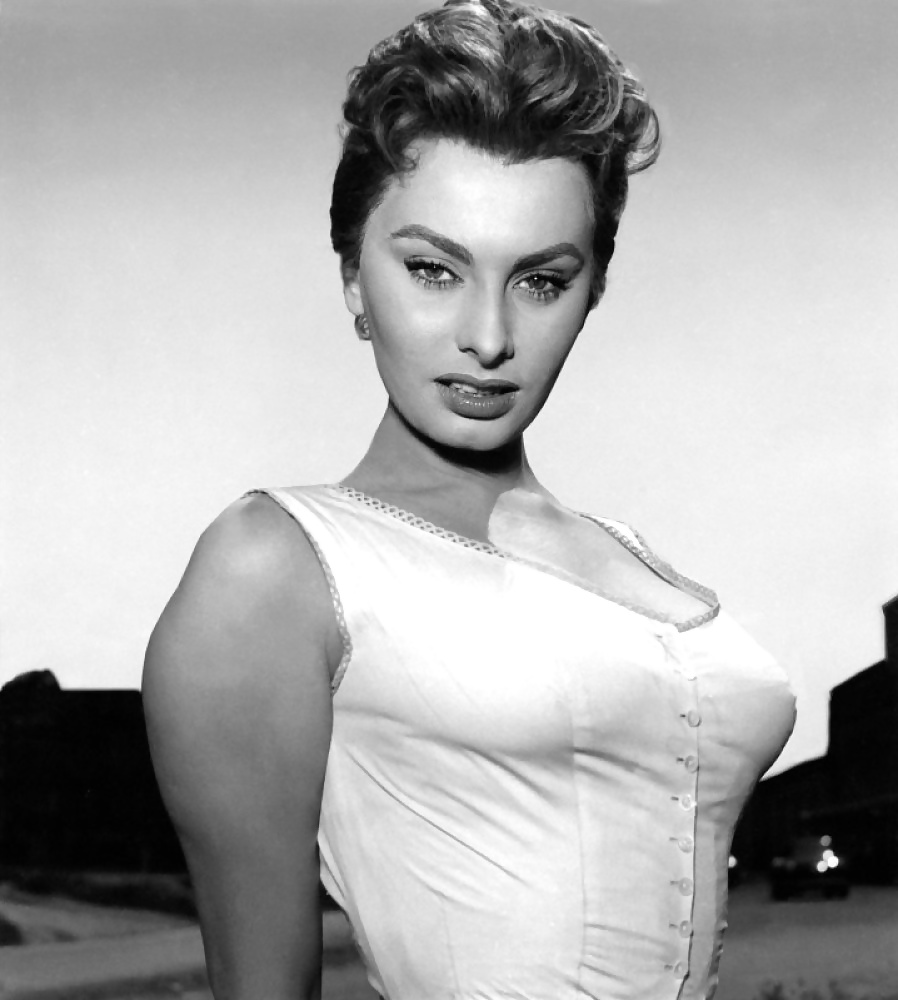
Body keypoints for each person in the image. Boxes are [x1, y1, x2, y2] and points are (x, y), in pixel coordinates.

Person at [142, 2, 797, 999]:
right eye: (432, 269)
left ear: (594, 287)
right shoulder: (274, 569)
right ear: (352, 276)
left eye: (540, 281)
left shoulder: (626, 552)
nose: (487, 338)